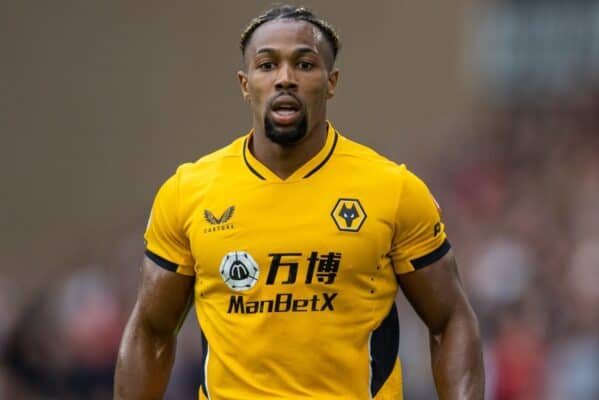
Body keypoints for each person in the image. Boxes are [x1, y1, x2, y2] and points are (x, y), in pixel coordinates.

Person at [114, 5, 484, 400]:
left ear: (331, 82)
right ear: (245, 83)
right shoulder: (188, 192)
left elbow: (450, 320)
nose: (285, 79)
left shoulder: (393, 190)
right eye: (267, 65)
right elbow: (152, 333)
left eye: (304, 65)